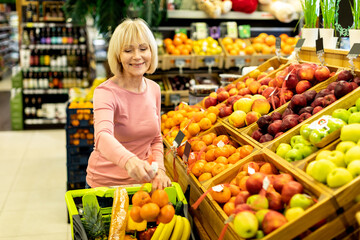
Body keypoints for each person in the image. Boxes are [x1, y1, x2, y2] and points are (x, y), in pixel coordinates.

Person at [86, 18, 171, 190]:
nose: (137, 56)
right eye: (128, 50)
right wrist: (129, 160)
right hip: (105, 186)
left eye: (143, 48)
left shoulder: (154, 89)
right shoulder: (105, 92)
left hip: (142, 184)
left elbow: (155, 139)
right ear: (118, 55)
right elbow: (102, 137)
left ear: (151, 51)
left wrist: (160, 169)